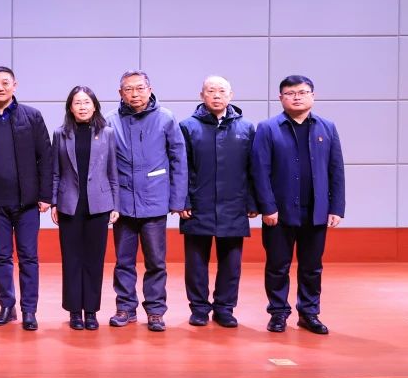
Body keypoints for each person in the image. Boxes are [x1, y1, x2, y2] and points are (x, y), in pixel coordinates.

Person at [252, 74, 345, 335]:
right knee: (277, 266)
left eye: (302, 92)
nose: (296, 97)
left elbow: (336, 170)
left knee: (312, 267)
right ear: (280, 98)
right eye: (290, 93)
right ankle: (278, 313)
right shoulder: (268, 128)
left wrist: (336, 207)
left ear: (312, 96)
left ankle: (309, 313)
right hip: (279, 213)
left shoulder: (327, 128)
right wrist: (267, 207)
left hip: (316, 211)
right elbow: (260, 170)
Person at [105, 70, 187, 332]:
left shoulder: (166, 118)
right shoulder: (110, 121)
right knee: (123, 261)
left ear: (150, 90)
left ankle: (155, 311)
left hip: (155, 200)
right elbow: (104, 164)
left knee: (156, 262)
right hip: (123, 203)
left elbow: (179, 159)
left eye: (140, 88)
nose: (135, 94)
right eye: (129, 89)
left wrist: (178, 200)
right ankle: (125, 308)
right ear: (120, 93)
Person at [0, 66, 52, 331]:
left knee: (29, 257)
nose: (0, 87)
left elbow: (46, 157)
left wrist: (45, 195)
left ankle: (29, 310)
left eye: (5, 83)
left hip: (27, 203)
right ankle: (7, 306)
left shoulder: (32, 117)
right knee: (1, 257)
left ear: (14, 86)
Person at [178, 75, 256, 329]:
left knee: (231, 263)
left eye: (221, 91)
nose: (216, 95)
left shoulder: (246, 128)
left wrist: (252, 202)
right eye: (210, 91)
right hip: (197, 205)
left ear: (231, 95)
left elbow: (253, 169)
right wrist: (183, 200)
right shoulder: (187, 127)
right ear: (202, 95)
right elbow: (181, 167)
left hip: (234, 205)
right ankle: (199, 308)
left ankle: (225, 308)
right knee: (196, 263)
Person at [50, 85, 120, 331]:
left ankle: (90, 311)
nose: (82, 107)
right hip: (69, 205)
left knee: (94, 260)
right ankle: (74, 312)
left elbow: (113, 171)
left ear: (95, 106)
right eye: (77, 103)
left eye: (87, 102)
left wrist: (115, 204)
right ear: (70, 107)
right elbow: (56, 172)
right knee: (71, 259)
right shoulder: (60, 134)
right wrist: (54, 202)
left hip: (99, 205)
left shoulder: (107, 133)